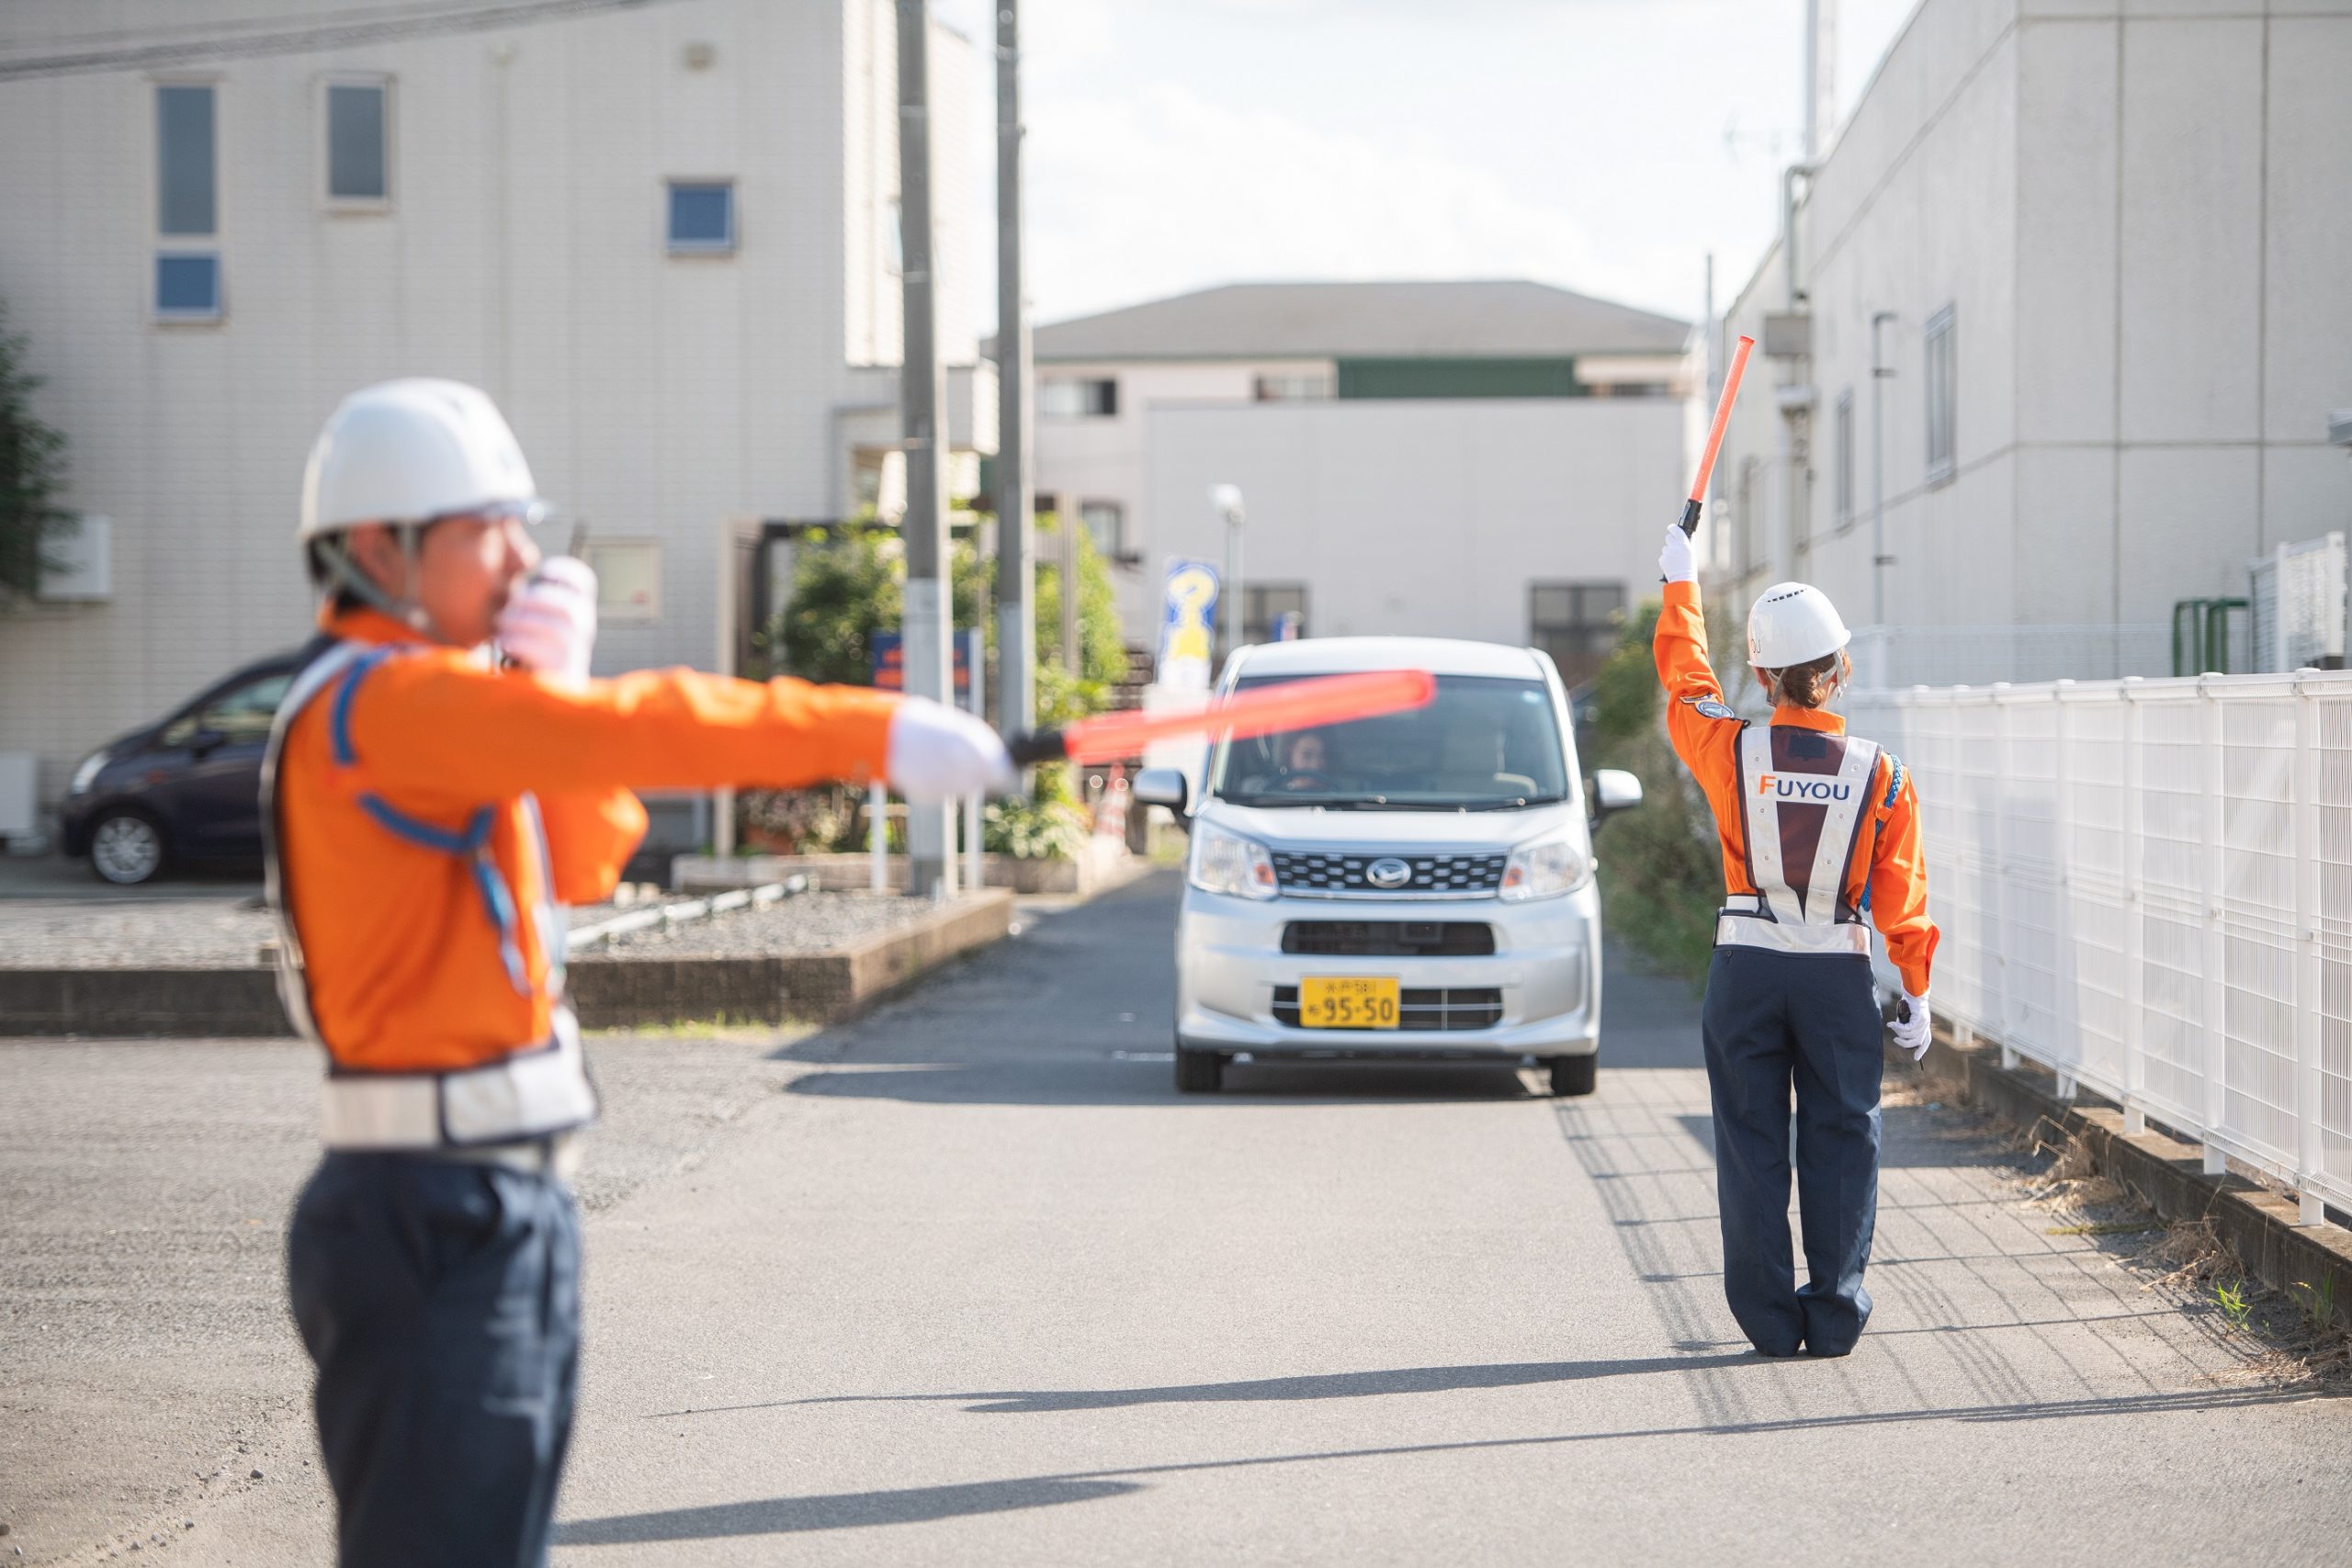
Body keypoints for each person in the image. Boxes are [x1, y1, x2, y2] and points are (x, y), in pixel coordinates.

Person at [271, 378, 1012, 1567]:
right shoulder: (383, 701)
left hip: (495, 1197)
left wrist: (533, 696)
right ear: (377, 548)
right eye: (485, 527)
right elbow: (641, 725)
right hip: (429, 1206)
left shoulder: (447, 710)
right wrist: (865, 733)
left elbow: (586, 846)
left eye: (523, 522)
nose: (521, 557)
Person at [1654, 523, 1938, 1359]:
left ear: (1764, 675)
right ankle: (1836, 1310)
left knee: (1748, 1143)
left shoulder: (1729, 747)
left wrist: (1682, 586)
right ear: (1840, 667)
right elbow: (1904, 895)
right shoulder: (1883, 774)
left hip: (1745, 968)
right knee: (1842, 1135)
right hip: (1837, 980)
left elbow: (1685, 681)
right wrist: (1916, 988)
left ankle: (1771, 1325)